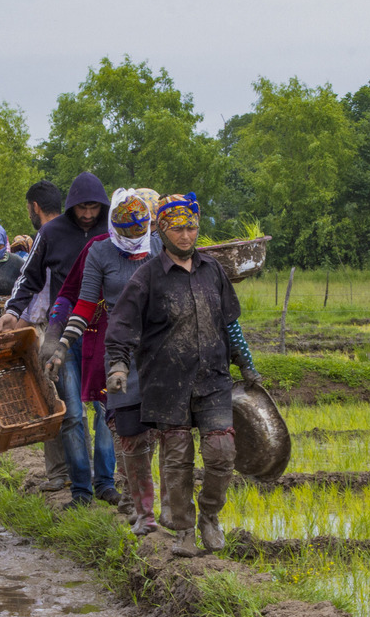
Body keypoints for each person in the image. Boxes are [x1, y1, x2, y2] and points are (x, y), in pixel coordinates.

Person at [104, 193, 256, 557]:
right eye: (177, 229)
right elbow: (120, 329)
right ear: (162, 230)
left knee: (222, 452)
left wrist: (246, 363)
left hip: (213, 378)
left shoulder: (213, 270)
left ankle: (210, 516)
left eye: (191, 227)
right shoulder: (147, 278)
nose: (186, 235)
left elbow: (230, 323)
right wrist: (119, 367)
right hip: (167, 383)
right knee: (177, 458)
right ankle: (184, 528)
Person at [45, 188, 163, 535]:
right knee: (124, 427)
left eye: (139, 230)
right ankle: (135, 503)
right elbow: (82, 303)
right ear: (113, 227)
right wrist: (62, 343)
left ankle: (151, 507)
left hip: (158, 345)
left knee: (163, 429)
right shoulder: (100, 252)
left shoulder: (158, 246)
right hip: (118, 345)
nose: (133, 239)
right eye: (126, 232)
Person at [0, 172, 114, 509]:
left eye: (95, 207)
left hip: (105, 332)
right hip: (63, 331)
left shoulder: (113, 231)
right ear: (71, 206)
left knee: (105, 409)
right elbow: (29, 277)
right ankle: (80, 489)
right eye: (83, 208)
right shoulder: (51, 233)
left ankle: (106, 482)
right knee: (72, 412)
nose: (89, 214)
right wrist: (12, 310)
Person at [19, 180, 67, 492]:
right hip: (80, 324)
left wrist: (18, 320)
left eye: (29, 209)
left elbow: (36, 290)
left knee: (52, 401)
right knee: (77, 405)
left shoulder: (44, 239)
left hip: (51, 328)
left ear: (35, 208)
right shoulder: (76, 235)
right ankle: (85, 473)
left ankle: (60, 473)